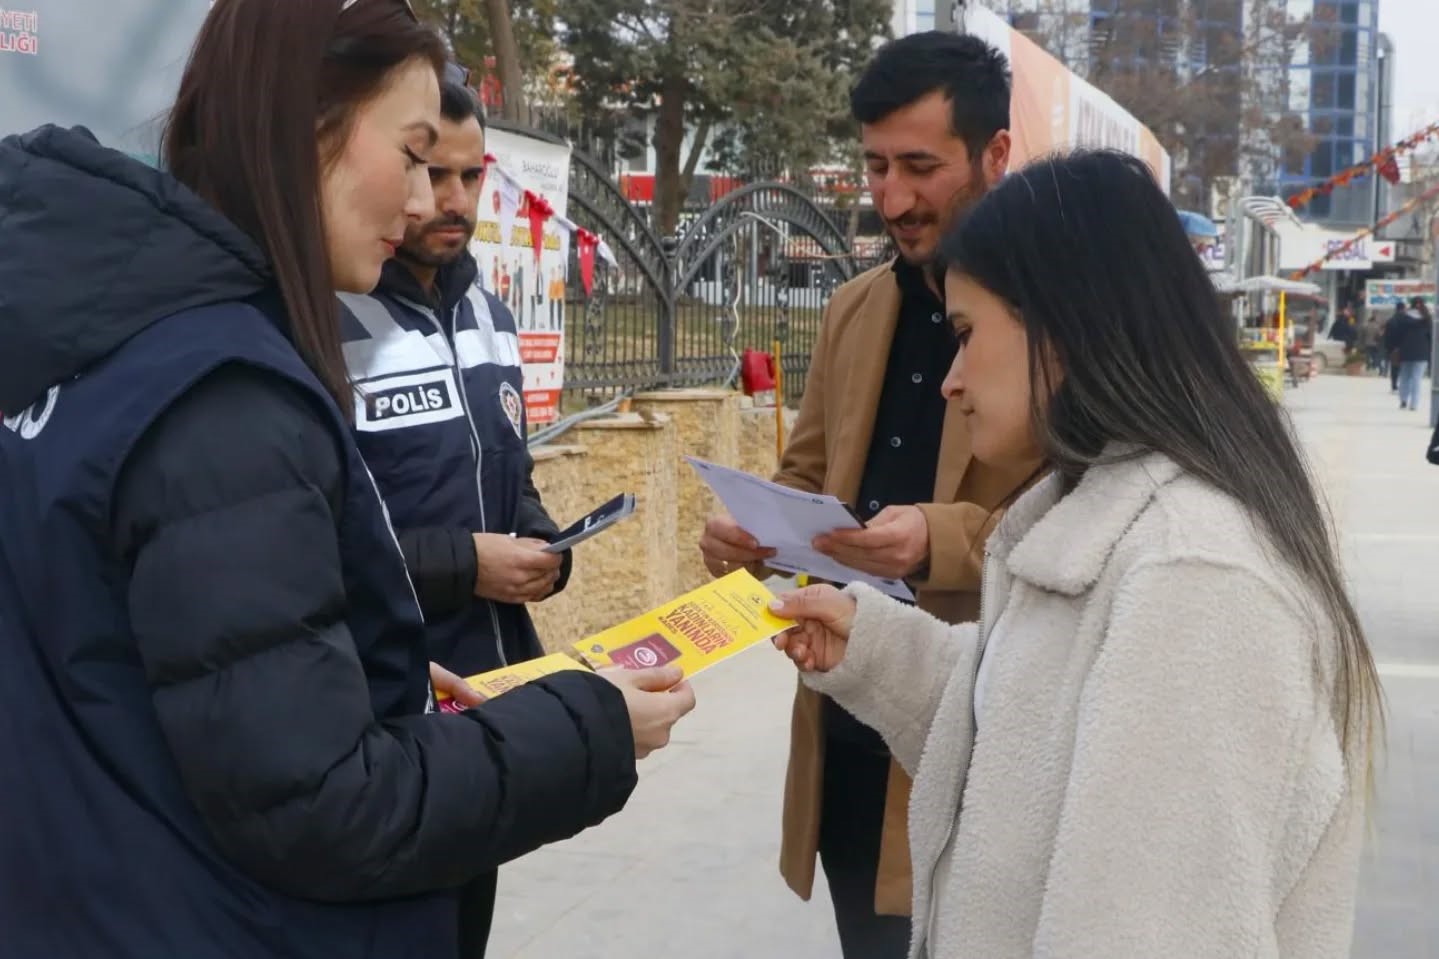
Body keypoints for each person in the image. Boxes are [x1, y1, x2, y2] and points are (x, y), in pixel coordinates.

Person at [0, 2, 693, 957]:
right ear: (309, 123)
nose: (421, 203)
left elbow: (144, 673)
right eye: (411, 154)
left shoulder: (101, 345)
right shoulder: (225, 394)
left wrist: (368, 683)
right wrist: (588, 724)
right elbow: (322, 807)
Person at [771, 150, 1380, 959]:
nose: (950, 380)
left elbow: (1147, 930)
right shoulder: (1099, 514)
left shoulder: (1193, 578)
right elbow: (1031, 735)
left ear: (1063, 323)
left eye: (965, 334)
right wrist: (877, 646)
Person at [698, 32, 1037, 957]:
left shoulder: (1057, 318)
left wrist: (937, 539)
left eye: (919, 167)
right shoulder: (856, 306)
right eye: (875, 166)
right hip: (848, 715)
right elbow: (806, 478)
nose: (890, 198)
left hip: (987, 728)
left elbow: (1088, 512)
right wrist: (751, 530)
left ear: (996, 153)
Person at [337, 78, 570, 957]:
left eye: (473, 178)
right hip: (383, 711)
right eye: (431, 172)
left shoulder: (491, 314)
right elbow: (318, 532)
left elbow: (513, 472)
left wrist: (546, 542)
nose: (452, 201)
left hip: (490, 699)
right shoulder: (329, 312)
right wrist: (460, 564)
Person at [1392, 297, 1433, 411]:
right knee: (1417, 378)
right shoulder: (1427, 319)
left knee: (1405, 376)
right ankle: (1414, 403)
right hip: (1422, 352)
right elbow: (1431, 337)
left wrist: (1395, 347)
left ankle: (1403, 400)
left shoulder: (1403, 318)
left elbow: (1397, 334)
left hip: (1406, 351)